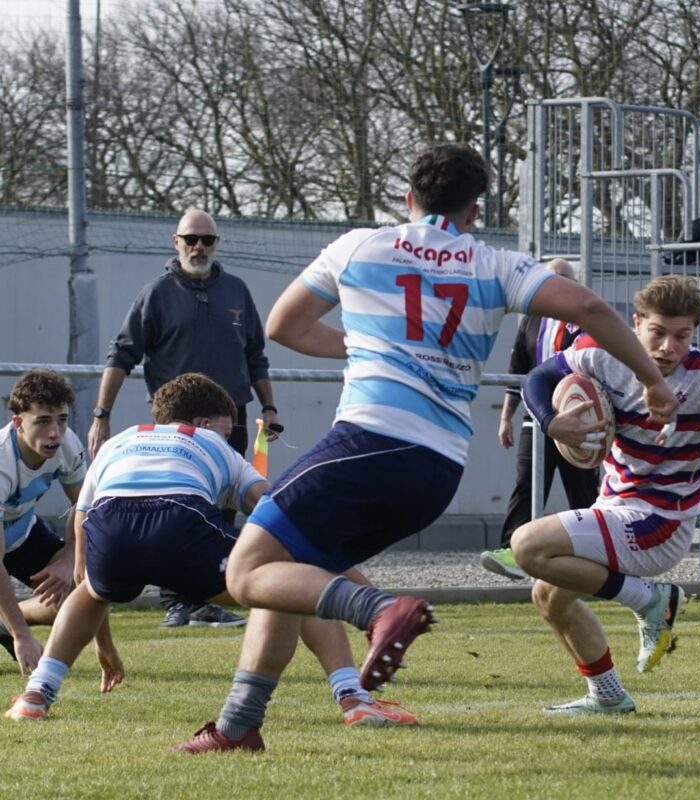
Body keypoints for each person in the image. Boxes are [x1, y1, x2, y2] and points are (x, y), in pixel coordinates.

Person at [172, 143, 679, 753]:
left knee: (247, 570)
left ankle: (377, 612)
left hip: (369, 442)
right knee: (290, 570)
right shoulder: (494, 263)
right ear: (475, 210)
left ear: (408, 198)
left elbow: (283, 326)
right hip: (436, 471)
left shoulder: (361, 245)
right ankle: (238, 725)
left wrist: (368, 346)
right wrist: (652, 381)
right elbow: (591, 307)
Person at [6, 373, 405, 728]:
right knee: (287, 580)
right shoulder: (211, 442)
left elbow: (83, 560)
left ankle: (36, 695)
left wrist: (104, 645)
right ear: (204, 424)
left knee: (91, 591)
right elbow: (286, 521)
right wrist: (370, 599)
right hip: (178, 518)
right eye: (227, 429)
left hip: (111, 526)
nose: (230, 438)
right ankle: (353, 697)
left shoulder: (121, 441)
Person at [510, 274, 700, 713]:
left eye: (682, 336)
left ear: (695, 333)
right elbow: (537, 378)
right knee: (547, 595)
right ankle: (608, 697)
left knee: (527, 544)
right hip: (613, 506)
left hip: (659, 523)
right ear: (636, 323)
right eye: (657, 332)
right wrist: (551, 421)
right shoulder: (604, 353)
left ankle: (652, 600)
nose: (668, 347)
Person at [88, 208, 281, 629]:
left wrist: (268, 407)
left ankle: (206, 595)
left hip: (232, 416)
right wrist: (102, 415)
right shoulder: (156, 293)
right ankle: (177, 601)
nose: (198, 247)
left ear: (217, 244)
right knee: (174, 501)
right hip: (176, 423)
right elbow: (122, 354)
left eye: (206, 240)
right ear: (175, 242)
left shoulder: (236, 291)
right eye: (190, 239)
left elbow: (256, 356)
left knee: (226, 503)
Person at [480, 259, 599, 580]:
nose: (559, 281)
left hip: (578, 421)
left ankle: (597, 555)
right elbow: (518, 370)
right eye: (553, 276)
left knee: (583, 489)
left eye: (566, 277)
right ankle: (512, 550)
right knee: (528, 484)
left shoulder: (583, 320)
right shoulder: (531, 320)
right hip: (538, 418)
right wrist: (506, 417)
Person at [0, 369, 119, 676]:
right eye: (42, 421)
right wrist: (22, 637)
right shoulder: (2, 463)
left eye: (62, 420)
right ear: (18, 423)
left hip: (22, 534)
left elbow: (87, 511)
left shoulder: (67, 445)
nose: (54, 432)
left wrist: (68, 560)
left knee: (78, 598)